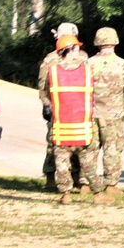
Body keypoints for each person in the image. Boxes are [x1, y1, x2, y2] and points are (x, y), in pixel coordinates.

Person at [45, 34, 103, 204]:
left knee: (61, 161)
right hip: (82, 124)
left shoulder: (53, 71)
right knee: (88, 160)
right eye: (77, 48)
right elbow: (96, 93)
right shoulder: (87, 70)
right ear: (72, 50)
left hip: (61, 124)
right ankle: (98, 193)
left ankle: (66, 194)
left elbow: (46, 93)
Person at [87, 27, 124, 202]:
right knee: (112, 150)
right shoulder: (123, 65)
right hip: (113, 114)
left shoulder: (88, 64)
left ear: (98, 42)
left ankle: (86, 184)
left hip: (91, 113)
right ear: (115, 42)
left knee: (90, 149)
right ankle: (110, 185)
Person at [38, 23, 89, 191]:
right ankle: (79, 180)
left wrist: (47, 105)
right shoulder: (82, 57)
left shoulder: (48, 59)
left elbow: (42, 86)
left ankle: (52, 178)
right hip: (77, 108)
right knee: (80, 142)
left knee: (55, 143)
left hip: (57, 107)